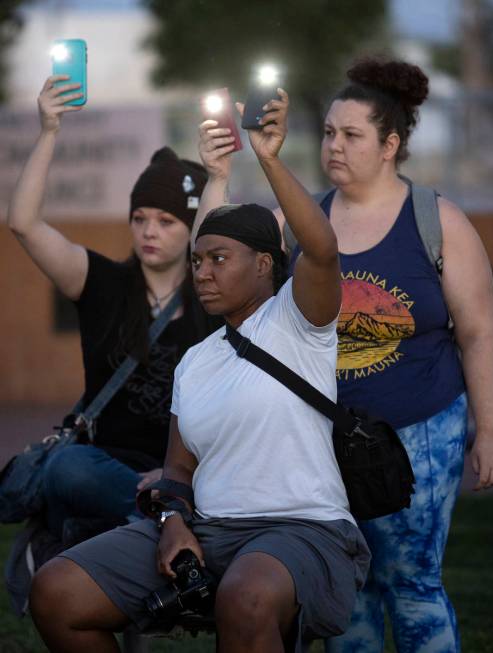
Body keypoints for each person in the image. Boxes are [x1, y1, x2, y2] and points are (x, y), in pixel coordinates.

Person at [28, 89, 370, 653]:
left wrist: (267, 156)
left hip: (299, 529)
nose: (202, 273)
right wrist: (174, 525)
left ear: (264, 265)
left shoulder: (299, 321)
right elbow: (177, 469)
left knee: (246, 598)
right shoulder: (197, 359)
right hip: (206, 528)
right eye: (197, 260)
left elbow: (324, 248)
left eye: (218, 259)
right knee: (56, 591)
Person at [272, 58, 493, 652]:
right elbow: (215, 251)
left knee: (413, 586)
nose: (334, 146)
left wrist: (491, 433)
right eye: (328, 132)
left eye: (351, 135)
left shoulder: (438, 220)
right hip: (326, 441)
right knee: (347, 591)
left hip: (422, 433)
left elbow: (478, 332)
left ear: (389, 145)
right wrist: (228, 168)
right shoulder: (306, 219)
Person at [7, 75, 219, 549]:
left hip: (187, 468)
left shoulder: (213, 298)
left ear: (192, 230)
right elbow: (23, 222)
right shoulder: (101, 282)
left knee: (225, 478)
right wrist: (48, 130)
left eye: (166, 221)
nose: (149, 230)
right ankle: (162, 523)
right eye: (139, 217)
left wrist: (172, 474)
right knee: (69, 468)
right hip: (105, 468)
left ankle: (156, 520)